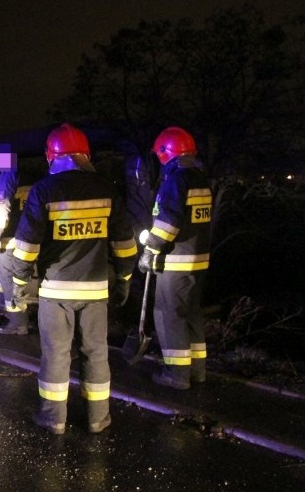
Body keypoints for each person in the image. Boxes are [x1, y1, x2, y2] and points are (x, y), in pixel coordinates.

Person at [11, 124, 137, 434]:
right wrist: (124, 280)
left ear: (51, 156)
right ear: (86, 156)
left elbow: (27, 247)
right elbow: (125, 245)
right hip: (96, 291)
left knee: (56, 354)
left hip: (56, 292)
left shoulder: (44, 191)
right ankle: (98, 419)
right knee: (96, 353)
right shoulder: (106, 189)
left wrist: (20, 280)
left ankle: (53, 418)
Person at [139, 126, 212, 390]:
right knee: (191, 314)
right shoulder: (200, 179)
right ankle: (197, 370)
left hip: (177, 261)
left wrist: (151, 250)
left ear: (165, 153)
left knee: (168, 314)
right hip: (199, 261)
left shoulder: (176, 180)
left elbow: (168, 223)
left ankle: (177, 375)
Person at [0, 144, 34, 334]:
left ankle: (18, 322)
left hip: (10, 239)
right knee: (1, 274)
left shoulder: (5, 179)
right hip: (22, 237)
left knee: (8, 278)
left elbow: (2, 210)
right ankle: (2, 306)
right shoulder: (22, 177)